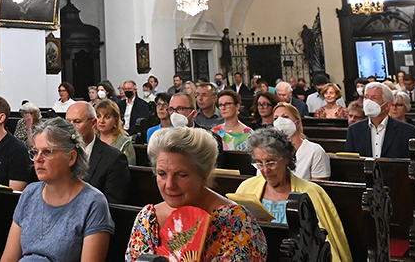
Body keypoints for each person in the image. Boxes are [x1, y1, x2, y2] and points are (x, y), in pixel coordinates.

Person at [125, 126, 267, 262]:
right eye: (162, 174)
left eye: (181, 175)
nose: (169, 185)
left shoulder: (234, 222)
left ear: (204, 175)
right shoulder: (149, 218)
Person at [0, 118, 113, 262]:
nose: (38, 159)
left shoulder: (93, 202)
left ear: (71, 158)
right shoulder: (30, 193)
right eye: (35, 152)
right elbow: (9, 258)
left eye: (47, 152)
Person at [235, 128, 351, 262]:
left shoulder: (311, 192)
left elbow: (324, 246)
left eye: (271, 161)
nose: (265, 170)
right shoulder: (246, 188)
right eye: (259, 163)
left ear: (286, 158)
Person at [66, 101, 129, 203]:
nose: (71, 128)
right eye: (68, 122)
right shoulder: (60, 154)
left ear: (93, 123)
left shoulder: (114, 159)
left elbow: (113, 206)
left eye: (77, 122)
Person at [345, 82, 415, 159]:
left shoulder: (408, 131)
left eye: (374, 98)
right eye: (366, 97)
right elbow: (350, 162)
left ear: (387, 105)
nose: (368, 102)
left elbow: (413, 164)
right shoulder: (354, 130)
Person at [273, 102, 329, 181]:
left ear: (298, 123)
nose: (280, 121)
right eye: (276, 118)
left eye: (285, 117)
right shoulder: (269, 152)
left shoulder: (315, 151)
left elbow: (318, 188)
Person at [94, 99, 135, 164]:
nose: (101, 121)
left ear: (115, 120)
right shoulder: (92, 140)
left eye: (107, 117)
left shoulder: (125, 143)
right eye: (98, 116)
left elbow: (130, 170)